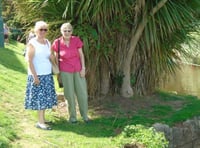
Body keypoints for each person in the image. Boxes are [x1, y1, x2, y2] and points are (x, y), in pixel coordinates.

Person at [52, 22, 89, 123]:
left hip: (78, 69)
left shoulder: (76, 40)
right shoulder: (57, 42)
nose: (67, 32)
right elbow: (55, 57)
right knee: (69, 95)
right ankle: (72, 118)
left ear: (71, 31)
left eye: (69, 30)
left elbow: (81, 55)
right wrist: (57, 72)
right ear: (61, 31)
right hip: (65, 71)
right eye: (65, 31)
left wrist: (83, 68)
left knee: (82, 93)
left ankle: (85, 116)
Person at [24, 21, 57, 130]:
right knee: (40, 99)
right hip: (37, 75)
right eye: (40, 29)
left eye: (45, 29)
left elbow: (50, 56)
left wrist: (56, 61)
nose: (43, 31)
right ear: (35, 30)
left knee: (45, 98)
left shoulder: (47, 42)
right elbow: (29, 61)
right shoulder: (32, 43)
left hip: (47, 74)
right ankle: (40, 122)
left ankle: (42, 119)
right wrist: (35, 77)